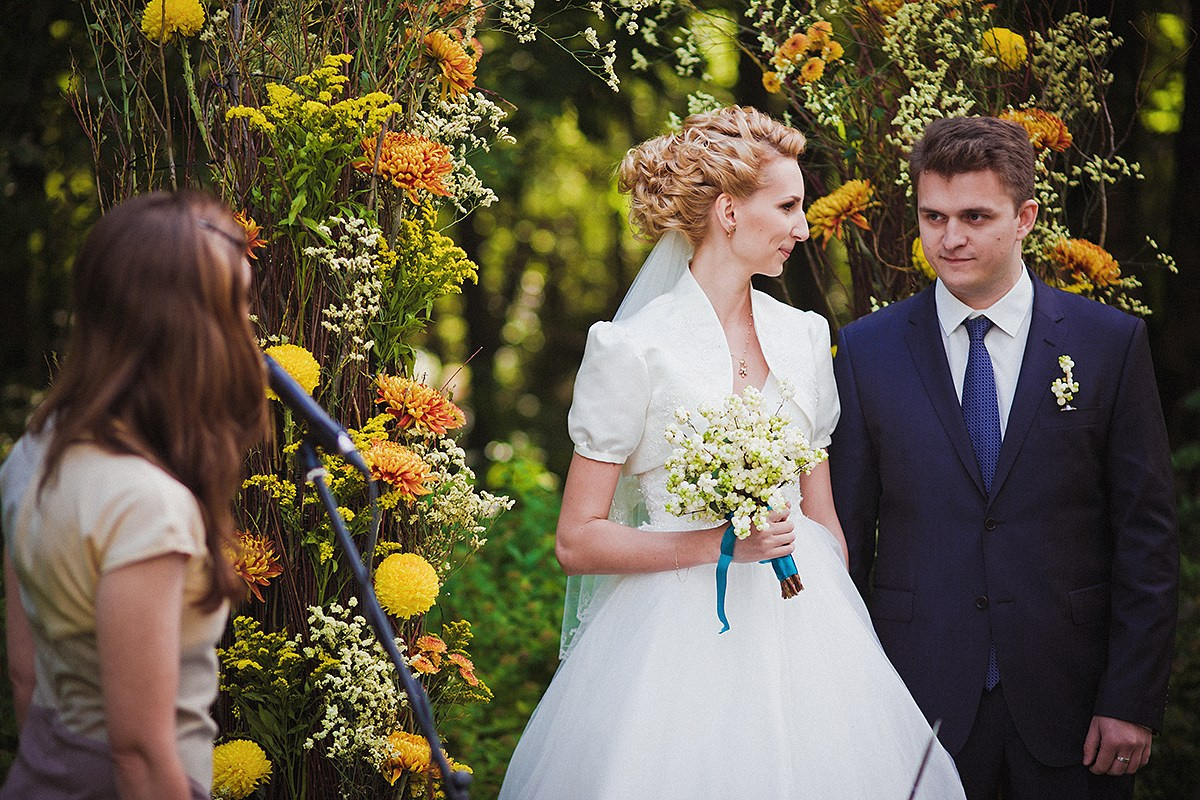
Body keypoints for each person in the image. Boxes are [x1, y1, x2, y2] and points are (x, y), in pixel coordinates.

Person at [499, 106, 965, 799]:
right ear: (728, 212)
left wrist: (833, 633)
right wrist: (720, 545)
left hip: (806, 629)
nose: (802, 228)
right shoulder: (633, 348)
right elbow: (577, 540)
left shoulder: (805, 336)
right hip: (673, 643)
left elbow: (824, 519)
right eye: (787, 206)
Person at [830, 116, 1178, 800]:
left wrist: (1132, 697)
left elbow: (1147, 536)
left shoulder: (1109, 344)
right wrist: (845, 694)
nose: (949, 238)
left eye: (975, 216)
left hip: (1074, 700)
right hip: (912, 702)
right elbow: (844, 539)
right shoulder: (867, 351)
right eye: (933, 216)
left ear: (1025, 218)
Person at [0, 191, 267, 800]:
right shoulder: (147, 505)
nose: (247, 327)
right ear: (191, 328)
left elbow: (25, 677)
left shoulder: (34, 452)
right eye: (237, 304)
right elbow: (141, 756)